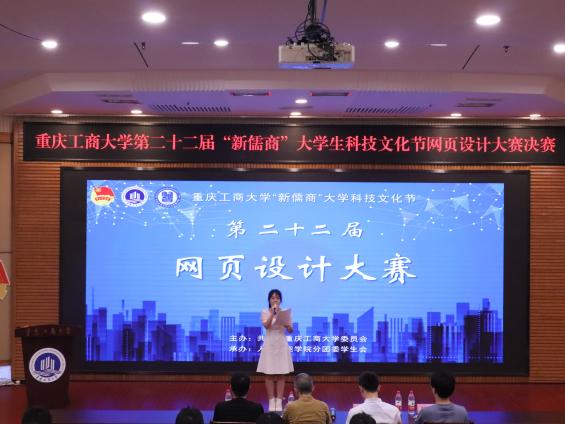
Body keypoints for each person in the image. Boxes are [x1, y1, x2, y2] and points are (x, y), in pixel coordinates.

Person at [257, 289, 294, 412]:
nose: (275, 300)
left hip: (281, 343)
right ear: (269, 300)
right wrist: (273, 314)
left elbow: (291, 330)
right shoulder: (265, 312)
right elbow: (266, 325)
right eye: (273, 298)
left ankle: (279, 401)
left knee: (281, 374)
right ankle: (271, 401)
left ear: (280, 300)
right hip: (269, 343)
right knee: (269, 374)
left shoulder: (285, 313)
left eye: (277, 298)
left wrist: (288, 325)